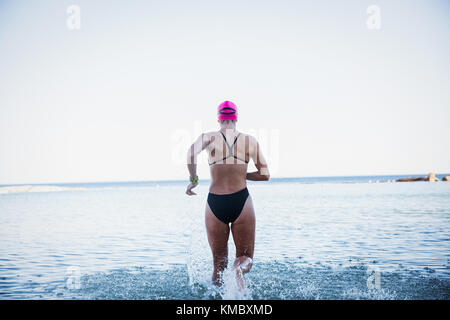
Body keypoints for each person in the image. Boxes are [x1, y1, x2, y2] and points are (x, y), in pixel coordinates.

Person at [186, 100, 270, 290]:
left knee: (218, 265)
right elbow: (265, 174)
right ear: (236, 118)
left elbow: (190, 154)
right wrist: (241, 174)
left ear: (219, 118)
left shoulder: (208, 138)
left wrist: (193, 180)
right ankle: (239, 271)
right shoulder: (250, 141)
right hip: (241, 201)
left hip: (215, 203)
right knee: (245, 258)